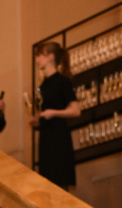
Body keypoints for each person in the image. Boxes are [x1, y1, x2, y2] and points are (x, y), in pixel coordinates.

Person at [29, 41, 79, 190]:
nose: (37, 59)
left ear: (50, 57)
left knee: (60, 184)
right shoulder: (43, 86)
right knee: (47, 186)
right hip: (46, 140)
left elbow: (75, 110)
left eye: (40, 55)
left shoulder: (63, 81)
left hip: (59, 139)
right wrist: (38, 119)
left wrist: (54, 112)